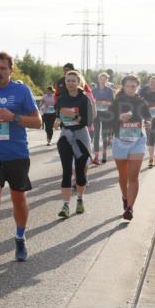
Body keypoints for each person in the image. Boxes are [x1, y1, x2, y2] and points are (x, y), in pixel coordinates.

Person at [0, 53, 42, 270]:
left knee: (18, 199)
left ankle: (20, 237)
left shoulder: (22, 91)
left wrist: (14, 117)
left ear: (11, 70)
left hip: (17, 155)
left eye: (3, 68)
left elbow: (38, 122)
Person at [110, 75, 151, 221]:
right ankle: (125, 196)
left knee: (133, 176)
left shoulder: (141, 101)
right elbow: (108, 120)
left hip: (137, 141)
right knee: (123, 176)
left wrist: (148, 123)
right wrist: (119, 118)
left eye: (134, 86)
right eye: (128, 86)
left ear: (137, 87)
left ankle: (129, 208)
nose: (131, 88)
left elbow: (148, 117)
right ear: (124, 86)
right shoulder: (117, 101)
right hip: (120, 141)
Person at [55, 70, 92, 220]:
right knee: (66, 171)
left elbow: (87, 121)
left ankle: (80, 200)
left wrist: (73, 115)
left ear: (78, 82)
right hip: (66, 136)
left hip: (81, 137)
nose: (70, 83)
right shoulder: (62, 98)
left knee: (80, 171)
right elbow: (59, 114)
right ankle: (65, 205)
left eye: (73, 81)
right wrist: (58, 120)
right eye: (68, 80)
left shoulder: (84, 99)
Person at [92, 72, 114, 164]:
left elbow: (111, 103)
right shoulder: (94, 90)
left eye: (105, 79)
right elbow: (92, 102)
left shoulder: (109, 90)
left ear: (107, 80)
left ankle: (104, 153)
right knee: (96, 135)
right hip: (96, 114)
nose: (103, 81)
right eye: (101, 79)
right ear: (98, 80)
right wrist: (98, 103)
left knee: (104, 134)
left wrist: (103, 102)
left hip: (106, 114)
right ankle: (96, 156)